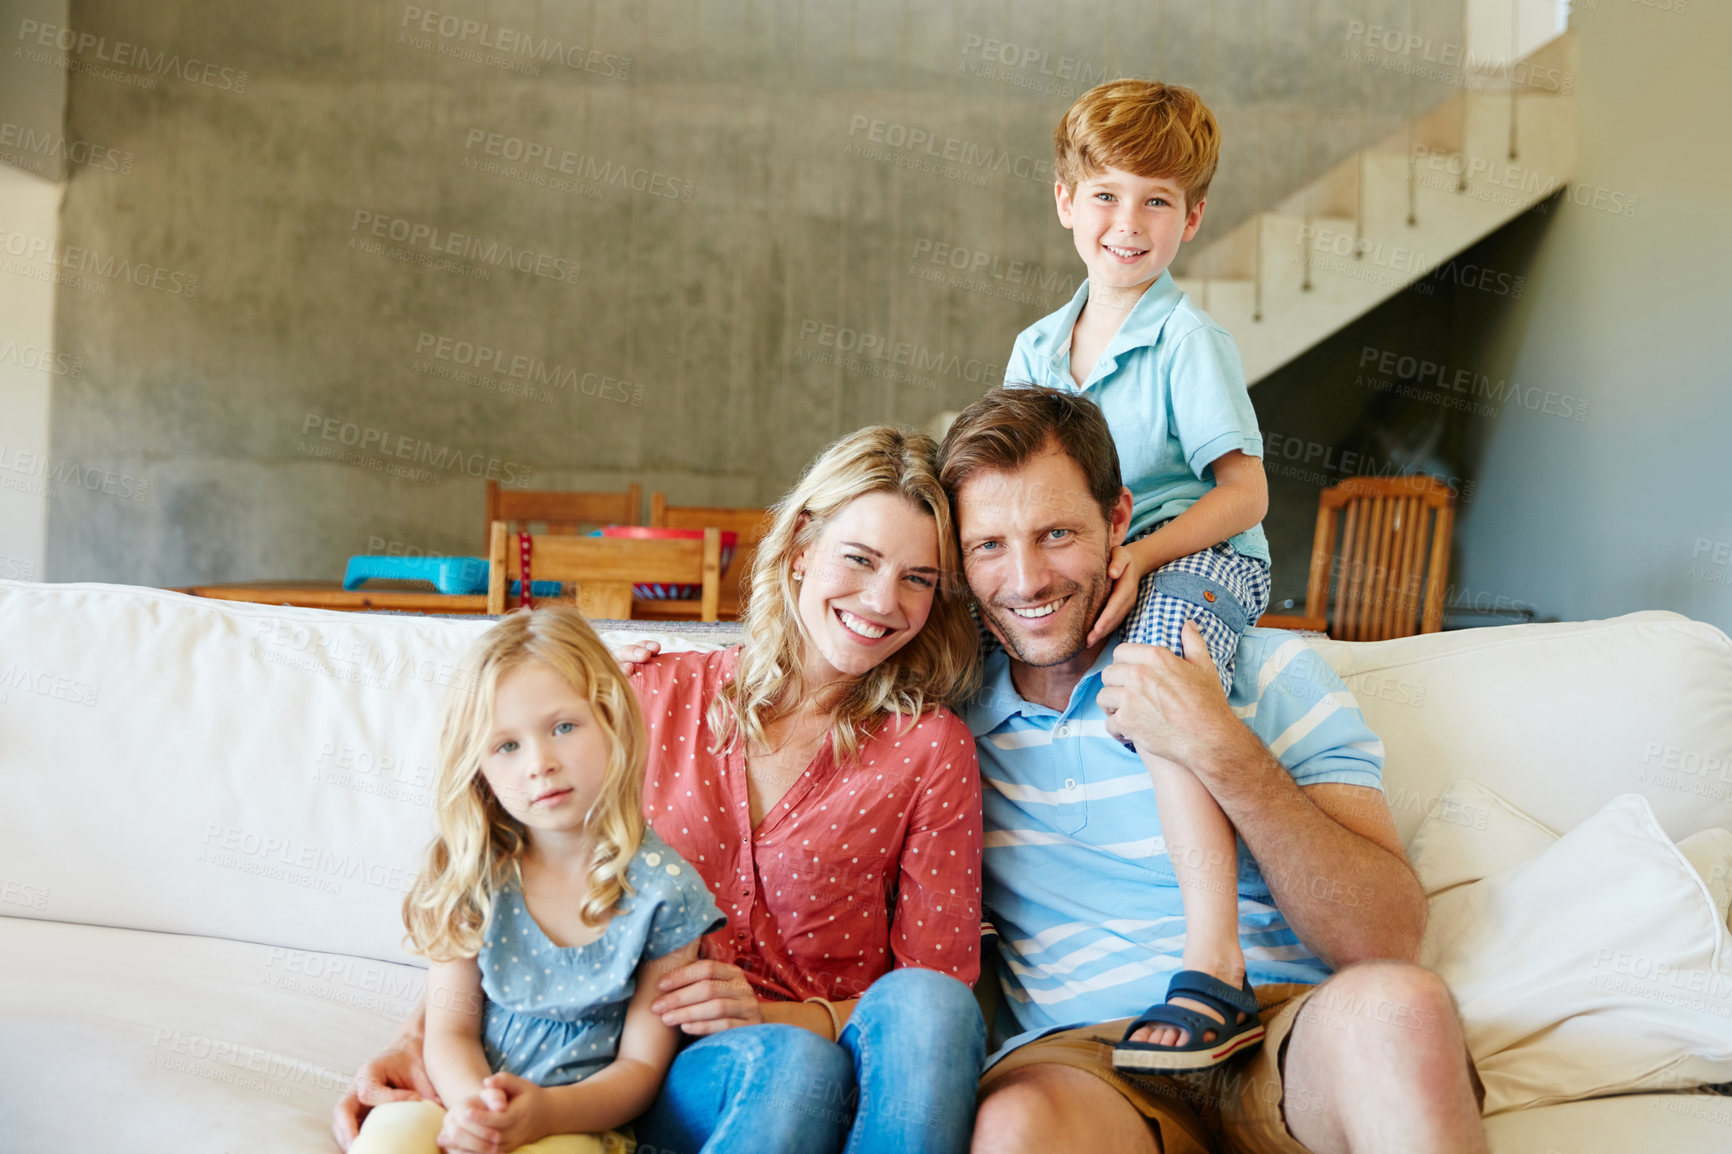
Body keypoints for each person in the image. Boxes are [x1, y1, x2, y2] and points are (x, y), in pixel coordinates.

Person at [335, 426, 988, 1154]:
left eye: (917, 579)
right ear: (802, 548)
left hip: (828, 1054)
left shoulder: (929, 748)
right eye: (859, 559)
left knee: (918, 1010)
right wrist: (416, 1036)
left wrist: (788, 1017)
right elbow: (517, 871)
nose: (881, 599)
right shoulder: (650, 691)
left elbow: (930, 990)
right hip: (636, 1065)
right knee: (787, 1066)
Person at [941, 387, 1487, 1154]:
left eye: (1057, 532)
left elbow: (1385, 938)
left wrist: (1219, 747)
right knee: (1014, 1128)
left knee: (1400, 1008)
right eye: (988, 546)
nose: (1026, 579)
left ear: (1118, 521)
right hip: (1090, 1063)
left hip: (1284, 1034)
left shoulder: (1268, 672)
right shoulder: (946, 723)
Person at [996, 79, 1273, 1072]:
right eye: (1107, 194)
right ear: (1066, 200)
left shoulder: (1188, 340)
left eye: (1156, 200)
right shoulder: (1036, 347)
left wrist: (1142, 554)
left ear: (1190, 218)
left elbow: (1245, 495)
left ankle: (1213, 957)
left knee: (1153, 672)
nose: (1129, 222)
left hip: (1196, 560)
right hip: (1097, 560)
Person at [348, 607, 724, 1154]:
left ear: (613, 722)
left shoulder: (668, 892)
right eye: (507, 745)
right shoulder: (473, 871)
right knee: (393, 1135)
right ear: (478, 767)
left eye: (563, 727)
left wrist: (544, 1115)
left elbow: (640, 1067)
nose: (540, 763)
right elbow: (449, 1031)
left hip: (577, 1121)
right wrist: (479, 1111)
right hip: (463, 1099)